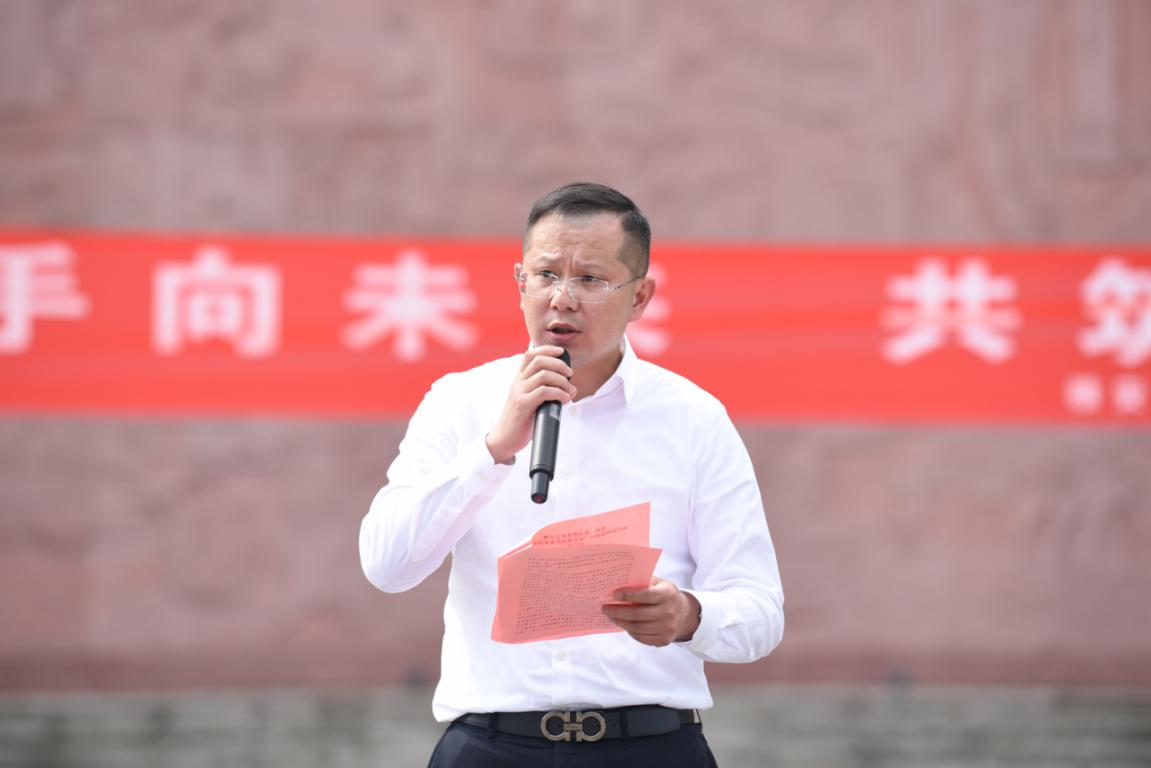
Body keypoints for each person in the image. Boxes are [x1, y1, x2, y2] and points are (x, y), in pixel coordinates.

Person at [359, 182, 784, 767]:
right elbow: (387, 566)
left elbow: (760, 611)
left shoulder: (693, 419)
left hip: (650, 746)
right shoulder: (460, 402)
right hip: (490, 746)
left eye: (590, 279)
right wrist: (493, 449)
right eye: (545, 275)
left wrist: (689, 616)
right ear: (520, 282)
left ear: (640, 297)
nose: (562, 298)